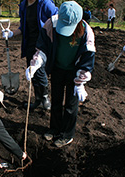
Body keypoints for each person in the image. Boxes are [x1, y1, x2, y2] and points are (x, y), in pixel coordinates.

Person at [26, 1, 95, 147]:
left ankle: (67, 134)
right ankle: (54, 128)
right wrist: (35, 64)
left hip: (74, 71)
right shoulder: (51, 24)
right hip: (57, 68)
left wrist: (81, 82)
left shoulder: (86, 32)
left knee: (71, 104)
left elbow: (87, 59)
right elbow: (42, 47)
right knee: (56, 100)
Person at [2, 0, 58, 111]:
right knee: (32, 72)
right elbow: (23, 27)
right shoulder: (23, 5)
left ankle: (45, 98)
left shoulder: (45, 4)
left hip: (43, 44)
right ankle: (38, 99)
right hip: (30, 44)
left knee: (40, 71)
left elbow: (57, 18)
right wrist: (12, 33)